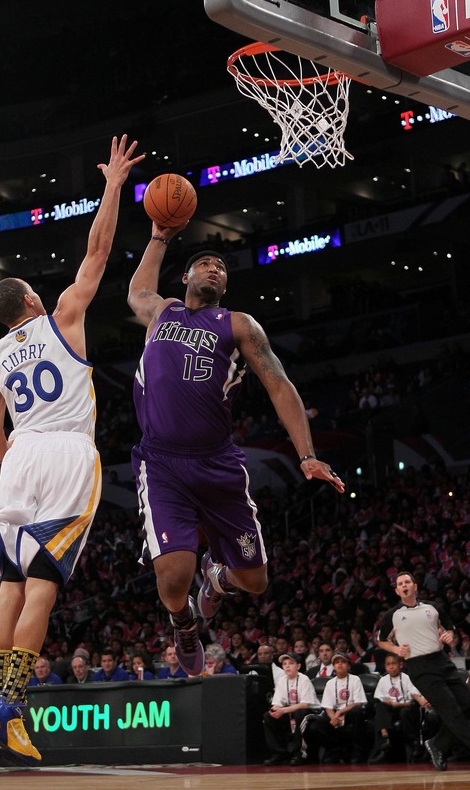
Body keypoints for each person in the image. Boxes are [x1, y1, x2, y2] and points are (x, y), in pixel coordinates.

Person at [0, 135, 145, 766]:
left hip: (18, 462)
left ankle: (0, 704)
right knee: (44, 583)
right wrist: (112, 184)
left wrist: (1, 457)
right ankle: (9, 706)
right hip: (68, 454)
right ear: (28, 300)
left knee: (10, 588)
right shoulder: (63, 315)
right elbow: (98, 249)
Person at [127, 232, 345, 676]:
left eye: (221, 268)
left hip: (218, 464)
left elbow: (279, 384)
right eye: (205, 264)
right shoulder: (161, 311)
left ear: (224, 286)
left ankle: (217, 577)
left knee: (256, 582)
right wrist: (157, 237)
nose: (214, 269)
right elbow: (136, 291)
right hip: (162, 463)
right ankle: (184, 623)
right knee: (172, 582)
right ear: (186, 276)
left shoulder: (238, 324)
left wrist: (307, 455)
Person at [377, 570, 470, 771]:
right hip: (420, 667)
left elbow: (450, 628)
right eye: (400, 584)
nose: (404, 585)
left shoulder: (433, 607)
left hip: (442, 661)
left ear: (415, 586)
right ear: (397, 591)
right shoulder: (392, 615)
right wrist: (396, 649)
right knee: (452, 711)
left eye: (407, 581)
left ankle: (437, 744)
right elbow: (381, 641)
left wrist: (449, 635)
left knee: (469, 706)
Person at [302, 652, 368, 764]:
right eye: (337, 662)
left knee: (358, 712)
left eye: (343, 662)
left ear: (349, 666)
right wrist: (333, 717)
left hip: (350, 712)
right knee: (314, 726)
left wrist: (340, 713)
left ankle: (357, 752)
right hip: (334, 713)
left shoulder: (355, 679)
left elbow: (357, 703)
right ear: (333, 666)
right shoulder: (330, 683)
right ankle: (334, 749)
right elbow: (327, 706)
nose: (340, 664)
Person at [368, 652, 430, 764]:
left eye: (394, 663)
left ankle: (412, 745)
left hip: (405, 707)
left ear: (400, 665)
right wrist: (387, 702)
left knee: (405, 711)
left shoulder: (407, 678)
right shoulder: (383, 680)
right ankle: (385, 736)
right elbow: (378, 698)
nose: (391, 667)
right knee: (380, 706)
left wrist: (399, 704)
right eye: (388, 664)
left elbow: (412, 701)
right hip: (390, 710)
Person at [263, 652, 319, 766]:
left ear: (298, 666)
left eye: (291, 663)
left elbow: (305, 705)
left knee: (300, 713)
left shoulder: (304, 679)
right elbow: (277, 703)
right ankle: (278, 753)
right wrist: (274, 711)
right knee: (268, 716)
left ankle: (300, 753)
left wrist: (283, 710)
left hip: (312, 713)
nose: (287, 666)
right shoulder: (282, 681)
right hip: (290, 713)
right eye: (284, 664)